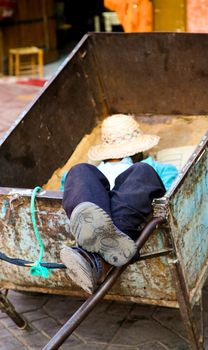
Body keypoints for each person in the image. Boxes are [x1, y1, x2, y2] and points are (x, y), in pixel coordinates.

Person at [60, 114, 178, 294]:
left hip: (128, 217)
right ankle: (102, 253)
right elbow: (67, 185)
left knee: (142, 172)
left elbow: (169, 193)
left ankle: (95, 258)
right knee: (78, 170)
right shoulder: (93, 172)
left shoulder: (156, 168)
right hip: (100, 217)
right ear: (141, 148)